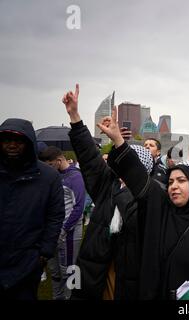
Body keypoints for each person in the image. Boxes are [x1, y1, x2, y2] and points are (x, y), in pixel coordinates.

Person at [93, 107, 189, 300]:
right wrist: (118, 141)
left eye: (181, 181)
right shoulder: (162, 208)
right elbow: (138, 176)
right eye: (171, 181)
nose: (174, 186)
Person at [62, 84, 153, 300]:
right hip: (95, 270)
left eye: (131, 166)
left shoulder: (150, 198)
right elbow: (90, 158)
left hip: (130, 275)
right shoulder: (107, 186)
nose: (124, 171)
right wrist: (75, 116)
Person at [0, 119, 65, 299]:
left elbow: (55, 216)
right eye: (6, 140)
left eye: (18, 140)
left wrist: (44, 251)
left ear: (29, 143)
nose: (12, 145)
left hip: (27, 261)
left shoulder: (48, 177)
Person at [39, 146, 86, 300]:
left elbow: (79, 208)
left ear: (59, 161)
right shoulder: (55, 176)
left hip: (69, 233)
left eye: (50, 165)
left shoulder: (76, 177)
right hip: (52, 231)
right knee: (54, 270)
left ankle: (72, 297)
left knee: (71, 270)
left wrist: (64, 230)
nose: (48, 169)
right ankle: (57, 296)